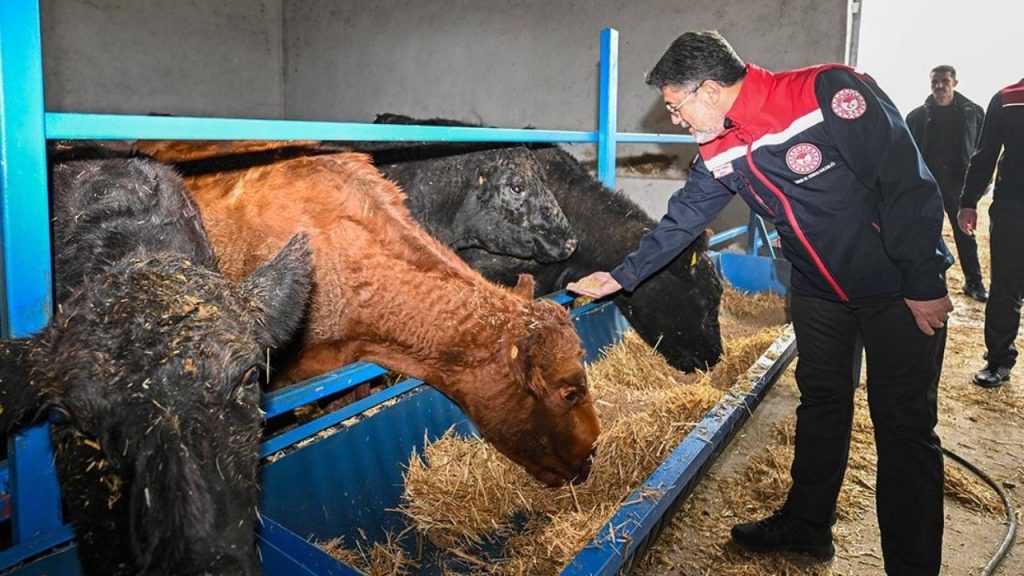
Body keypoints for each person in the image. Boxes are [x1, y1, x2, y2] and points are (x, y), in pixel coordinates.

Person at [568, 31, 953, 575]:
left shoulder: (825, 93)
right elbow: (683, 219)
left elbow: (906, 182)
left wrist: (924, 281)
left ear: (708, 90)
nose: (675, 120)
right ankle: (807, 525)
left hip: (894, 287)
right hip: (817, 289)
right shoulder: (719, 144)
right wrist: (622, 275)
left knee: (903, 427)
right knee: (822, 403)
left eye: (676, 106)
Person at [958, 77, 1024, 388]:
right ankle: (999, 359)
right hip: (1013, 208)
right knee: (1006, 285)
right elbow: (985, 154)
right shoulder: (1008, 98)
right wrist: (968, 201)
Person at [907, 65, 987, 301]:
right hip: (926, 184)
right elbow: (906, 152)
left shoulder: (974, 113)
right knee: (925, 234)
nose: (939, 86)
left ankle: (974, 282)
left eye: (945, 81)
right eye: (935, 82)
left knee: (965, 234)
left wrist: (982, 183)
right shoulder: (916, 117)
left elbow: (985, 150)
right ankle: (929, 281)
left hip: (958, 184)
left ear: (955, 83)